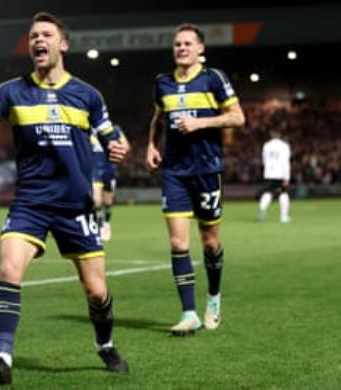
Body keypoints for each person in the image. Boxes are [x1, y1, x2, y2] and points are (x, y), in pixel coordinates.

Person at [0, 11, 130, 385]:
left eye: (45, 34)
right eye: (32, 37)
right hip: (30, 203)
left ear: (63, 44)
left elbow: (111, 137)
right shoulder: (11, 91)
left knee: (96, 290)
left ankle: (105, 344)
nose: (37, 41)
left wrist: (117, 149)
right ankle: (2, 359)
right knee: (9, 270)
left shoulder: (87, 95)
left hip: (75, 205)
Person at [145, 23, 245, 336]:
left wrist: (202, 122)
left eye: (188, 43)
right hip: (174, 171)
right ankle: (189, 313)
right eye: (177, 44)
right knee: (177, 242)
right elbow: (158, 118)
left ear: (201, 49)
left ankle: (213, 299)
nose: (182, 48)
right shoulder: (162, 83)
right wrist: (151, 144)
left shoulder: (214, 78)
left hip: (206, 169)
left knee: (210, 240)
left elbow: (238, 117)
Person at [91, 126, 128, 241]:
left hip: (109, 168)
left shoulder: (114, 130)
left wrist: (117, 148)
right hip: (94, 168)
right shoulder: (86, 129)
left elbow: (126, 146)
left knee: (108, 201)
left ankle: (106, 222)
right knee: (95, 200)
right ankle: (99, 224)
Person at [258, 130, 291, 223]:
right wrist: (287, 177)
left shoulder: (266, 145)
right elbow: (286, 162)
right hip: (280, 174)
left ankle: (262, 209)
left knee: (268, 192)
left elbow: (264, 160)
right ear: (280, 135)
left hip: (268, 173)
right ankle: (284, 216)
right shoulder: (284, 146)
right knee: (283, 193)